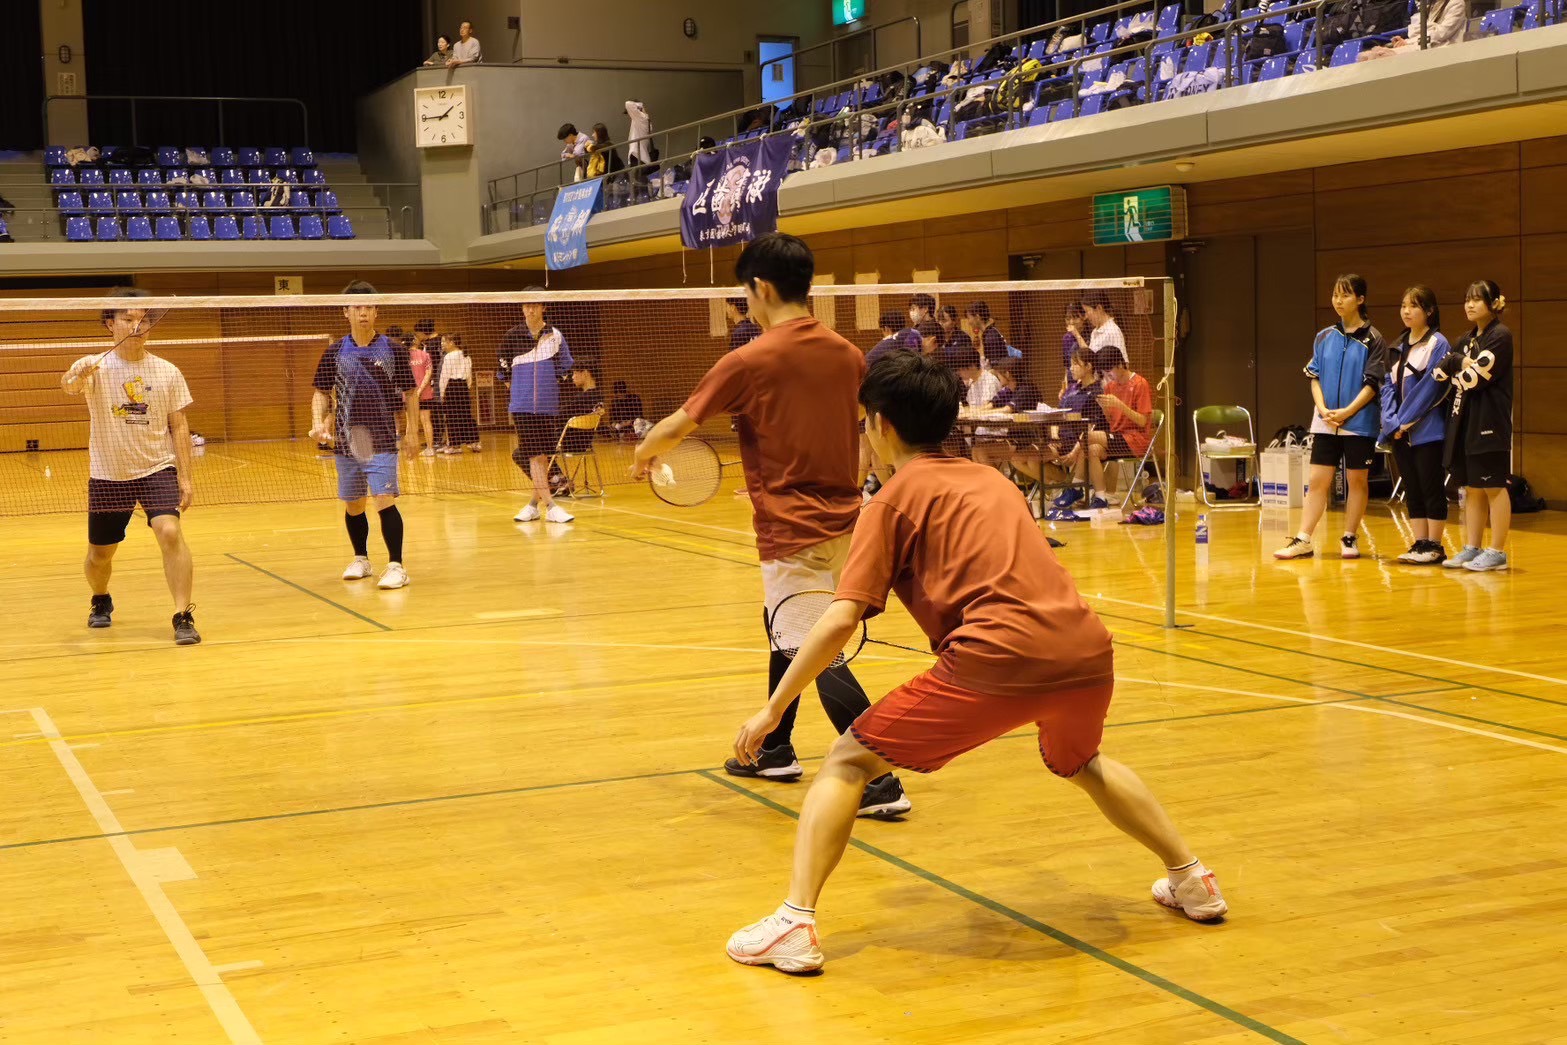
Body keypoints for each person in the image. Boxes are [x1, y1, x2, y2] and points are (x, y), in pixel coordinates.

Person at [725, 351, 1228, 974]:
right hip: (1087, 650)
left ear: (880, 424)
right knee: (1083, 762)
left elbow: (839, 618)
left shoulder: (890, 501)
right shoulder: (995, 481)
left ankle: (794, 924)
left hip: (998, 659)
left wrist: (773, 710)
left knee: (850, 759)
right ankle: (1193, 879)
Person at [632, 232, 912, 819]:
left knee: (819, 649)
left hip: (792, 529)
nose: (747, 304)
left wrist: (643, 456)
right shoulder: (848, 354)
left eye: (745, 293)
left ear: (760, 288)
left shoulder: (749, 360)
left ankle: (879, 778)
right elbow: (869, 436)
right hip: (848, 523)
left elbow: (679, 424)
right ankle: (774, 748)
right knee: (787, 628)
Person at [61, 288, 200, 645]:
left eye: (143, 319)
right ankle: (101, 598)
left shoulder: (167, 371)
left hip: (157, 468)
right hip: (109, 473)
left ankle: (183, 615)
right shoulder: (96, 366)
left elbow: (179, 424)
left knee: (169, 531)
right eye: (127, 318)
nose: (137, 325)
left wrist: (185, 477)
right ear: (110, 323)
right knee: (99, 554)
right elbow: (70, 386)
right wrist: (77, 374)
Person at [309, 281, 419, 590]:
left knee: (384, 500)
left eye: (369, 307)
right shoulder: (334, 352)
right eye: (357, 307)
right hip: (346, 442)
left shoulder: (393, 350)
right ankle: (361, 559)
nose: (363, 313)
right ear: (346, 312)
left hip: (382, 439)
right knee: (354, 504)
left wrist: (412, 433)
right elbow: (320, 392)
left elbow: (410, 393)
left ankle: (397, 565)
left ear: (376, 311)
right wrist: (318, 421)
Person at [1275, 274, 1387, 560]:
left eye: (1345, 295)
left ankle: (1349, 537)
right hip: (1325, 421)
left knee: (1357, 481)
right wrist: (1323, 409)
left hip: (1359, 422)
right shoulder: (1324, 336)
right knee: (1317, 481)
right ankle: (1304, 538)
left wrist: (1349, 411)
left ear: (1360, 299)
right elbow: (1314, 376)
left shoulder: (1374, 339)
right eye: (1335, 294)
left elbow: (1373, 384)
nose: (1338, 301)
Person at [1436, 280, 1514, 572]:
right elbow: (1440, 374)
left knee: (1493, 486)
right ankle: (1472, 547)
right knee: (1471, 488)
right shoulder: (1464, 340)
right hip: (1464, 421)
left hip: (1490, 422)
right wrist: (1459, 361)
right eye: (1467, 299)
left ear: (1493, 304)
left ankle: (1497, 551)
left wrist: (1458, 365)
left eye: (1477, 300)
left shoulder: (1500, 336)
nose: (1469, 305)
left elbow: (1475, 378)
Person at [1380, 285, 1452, 565]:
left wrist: (1405, 421)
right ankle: (1419, 542)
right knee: (1412, 486)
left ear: (1429, 311)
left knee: (1431, 485)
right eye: (1403, 305)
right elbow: (1387, 385)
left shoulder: (1439, 343)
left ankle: (1435, 545)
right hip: (1398, 430)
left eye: (1414, 306)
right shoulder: (1397, 345)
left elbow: (1431, 387)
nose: (1406, 311)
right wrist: (1390, 422)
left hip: (1427, 430)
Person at [497, 289, 576, 524]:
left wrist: (548, 385)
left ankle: (532, 506)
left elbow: (565, 366)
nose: (529, 309)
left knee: (542, 457)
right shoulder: (511, 337)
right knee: (533, 456)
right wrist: (520, 391)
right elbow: (504, 373)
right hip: (521, 406)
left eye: (534, 305)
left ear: (544, 307)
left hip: (548, 405)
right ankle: (551, 507)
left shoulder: (555, 336)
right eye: (525, 305)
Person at [1093, 351, 1155, 496]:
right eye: (1105, 372)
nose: (1108, 376)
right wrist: (1104, 408)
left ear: (1120, 365)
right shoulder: (1110, 387)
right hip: (1116, 437)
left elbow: (1142, 421)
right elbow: (1111, 421)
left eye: (1110, 371)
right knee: (1092, 449)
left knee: (1088, 437)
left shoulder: (1140, 384)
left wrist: (1120, 405)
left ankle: (1072, 485)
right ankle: (1104, 496)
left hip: (1136, 440)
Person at [1359, 0, 1467, 59]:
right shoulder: (1431, 6)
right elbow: (1418, 30)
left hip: (1445, 49)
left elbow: (1441, 34)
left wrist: (1407, 42)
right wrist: (1406, 42)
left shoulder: (1456, 3)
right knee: (1372, 55)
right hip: (1426, 45)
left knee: (1383, 56)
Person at [437, 332, 481, 453]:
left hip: (451, 388)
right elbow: (469, 375)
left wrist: (442, 393)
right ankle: (474, 443)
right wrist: (466, 387)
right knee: (466, 415)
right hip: (463, 388)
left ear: (452, 342)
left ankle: (454, 445)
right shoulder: (466, 355)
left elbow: (444, 377)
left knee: (452, 417)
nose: (442, 344)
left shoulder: (449, 356)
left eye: (444, 341)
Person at [1083, 290, 1126, 373]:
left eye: (1087, 311)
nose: (1086, 316)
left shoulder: (1113, 331)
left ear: (1099, 308)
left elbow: (1124, 364)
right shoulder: (1094, 332)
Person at [409, 330, 437, 456]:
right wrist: (420, 389)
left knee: (411, 422)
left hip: (410, 394)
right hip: (424, 393)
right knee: (426, 420)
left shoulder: (403, 356)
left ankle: (412, 449)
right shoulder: (425, 355)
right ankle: (430, 448)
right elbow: (429, 372)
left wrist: (415, 391)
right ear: (415, 341)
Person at [964, 301, 1013, 367]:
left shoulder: (990, 336)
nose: (969, 322)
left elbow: (996, 365)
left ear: (977, 317)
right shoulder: (989, 332)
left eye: (969, 318)